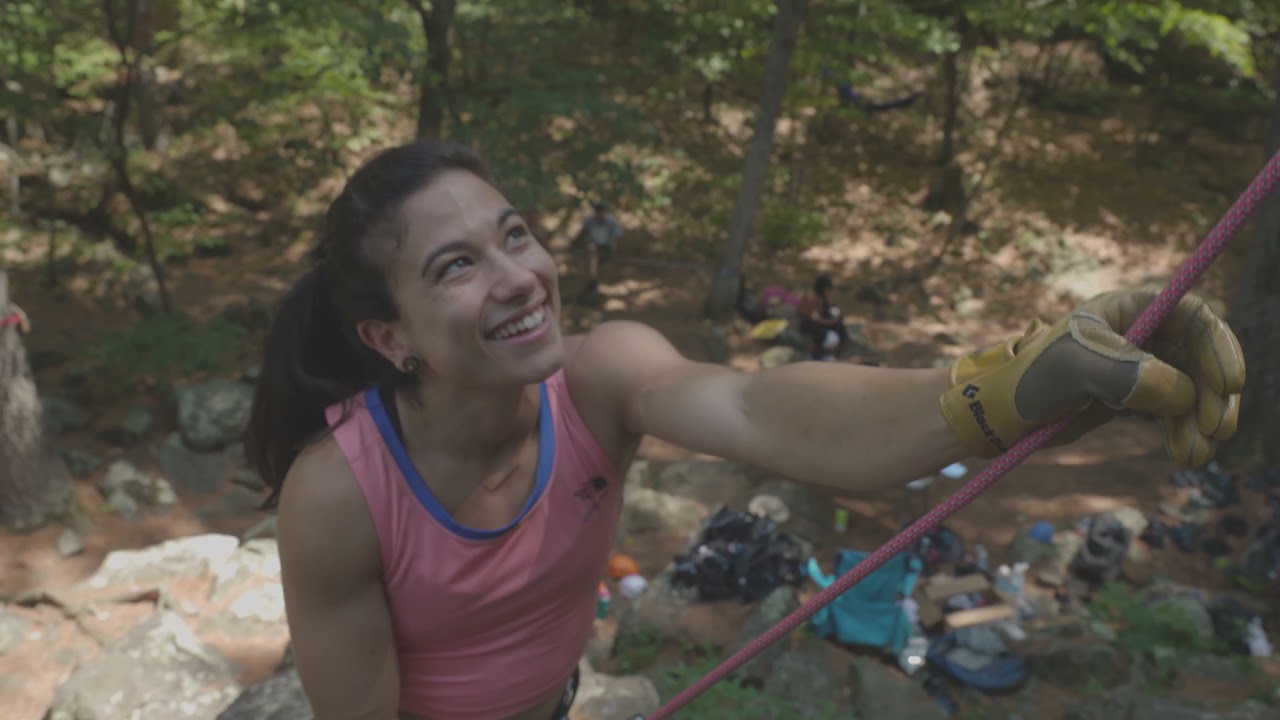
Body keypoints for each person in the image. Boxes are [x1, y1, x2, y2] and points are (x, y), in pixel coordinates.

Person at [245, 140, 1245, 720]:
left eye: (514, 234)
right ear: (387, 337)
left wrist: (1009, 386)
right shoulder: (341, 493)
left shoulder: (601, 378)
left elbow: (763, 410)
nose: (516, 276)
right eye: (453, 267)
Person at [796, 273, 847, 360]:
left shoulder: (825, 298)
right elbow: (815, 318)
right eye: (828, 289)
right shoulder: (812, 297)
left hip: (821, 321)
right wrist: (831, 322)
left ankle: (834, 354)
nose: (829, 292)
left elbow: (831, 311)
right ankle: (814, 355)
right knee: (820, 333)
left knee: (841, 329)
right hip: (808, 322)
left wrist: (836, 317)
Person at [575, 201, 623, 289]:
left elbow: (618, 237)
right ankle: (592, 279)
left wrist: (618, 252)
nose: (600, 214)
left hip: (607, 247)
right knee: (592, 252)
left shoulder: (611, 221)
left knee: (592, 253)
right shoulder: (590, 220)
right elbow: (583, 233)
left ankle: (592, 279)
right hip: (593, 246)